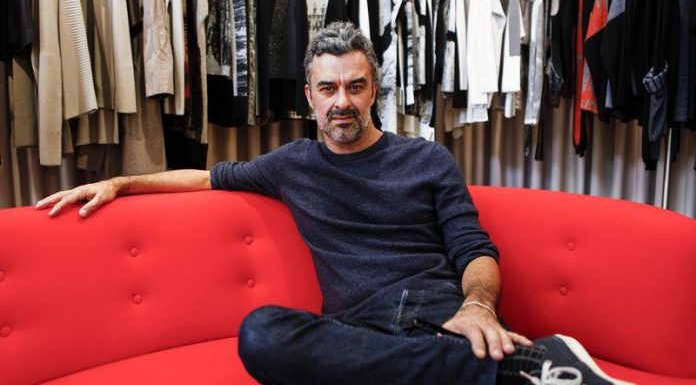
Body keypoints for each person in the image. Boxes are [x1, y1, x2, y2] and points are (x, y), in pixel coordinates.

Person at [36, 22, 630, 385]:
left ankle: (481, 364)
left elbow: (474, 248)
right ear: (310, 97)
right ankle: (514, 372)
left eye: (354, 86)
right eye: (328, 88)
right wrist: (122, 183)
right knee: (261, 333)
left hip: (439, 318)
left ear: (373, 91)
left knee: (420, 350)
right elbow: (207, 177)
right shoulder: (291, 164)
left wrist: (478, 307)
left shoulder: (427, 159)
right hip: (355, 333)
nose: (341, 101)